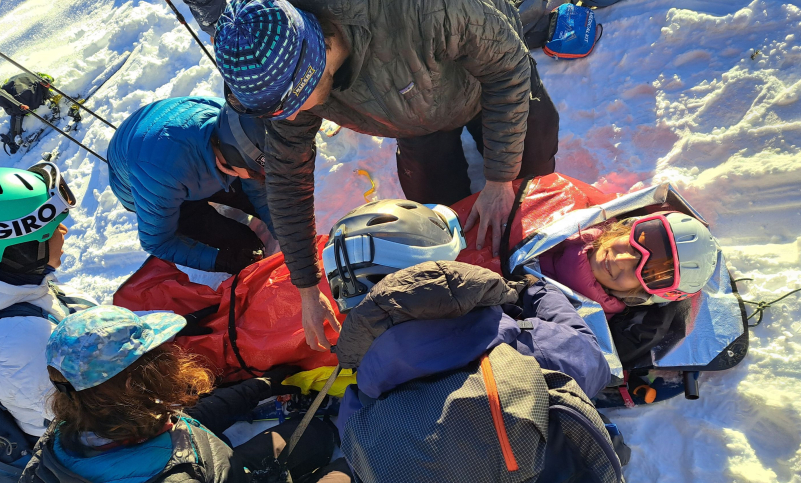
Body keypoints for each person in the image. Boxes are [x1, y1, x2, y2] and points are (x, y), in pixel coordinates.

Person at [206, 0, 560, 351]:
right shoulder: (288, 73)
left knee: (532, 191)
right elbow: (287, 178)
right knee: (434, 222)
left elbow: (507, 68)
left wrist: (499, 178)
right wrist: (307, 287)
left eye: (294, 103)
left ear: (319, 51)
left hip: (487, 82)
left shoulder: (423, 11)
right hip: (413, 113)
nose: (293, 116)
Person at [321, 200, 623, 481]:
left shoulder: (359, 406)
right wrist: (536, 293)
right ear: (440, 267)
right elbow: (590, 363)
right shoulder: (515, 344)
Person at [20, 305, 352, 483]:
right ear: (136, 383)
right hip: (216, 472)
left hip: (218, 465)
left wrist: (257, 388)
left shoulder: (67, 432)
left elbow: (184, 423)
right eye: (160, 355)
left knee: (316, 434)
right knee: (357, 465)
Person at [0, 163, 96, 437]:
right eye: (52, 228)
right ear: (22, 248)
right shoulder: (19, 341)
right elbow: (92, 423)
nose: (64, 233)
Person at [107, 96, 278, 274]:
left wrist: (287, 233)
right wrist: (220, 261)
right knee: (240, 247)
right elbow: (157, 241)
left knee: (267, 203)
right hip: (147, 182)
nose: (260, 176)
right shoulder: (160, 175)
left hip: (185, 153)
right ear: (233, 159)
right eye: (255, 171)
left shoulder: (233, 123)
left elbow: (260, 192)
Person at [538, 212, 720, 318]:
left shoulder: (574, 319)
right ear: (627, 228)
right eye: (634, 245)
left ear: (637, 296)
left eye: (643, 272)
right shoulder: (582, 213)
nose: (621, 260)